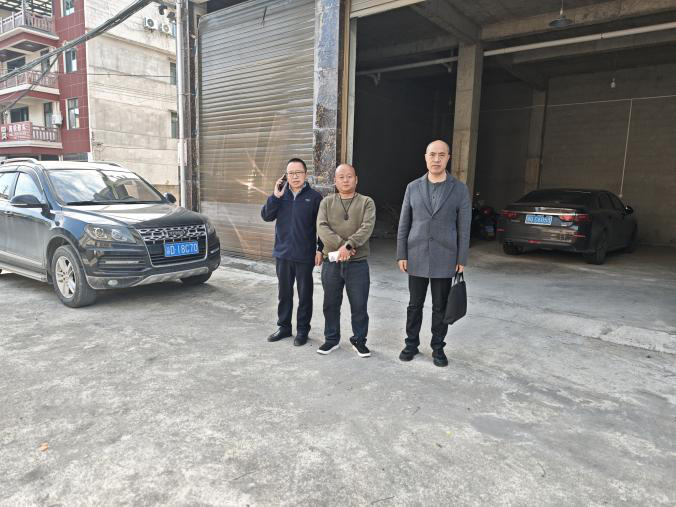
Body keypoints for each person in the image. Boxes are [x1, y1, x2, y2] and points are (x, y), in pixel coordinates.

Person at [396, 140, 471, 367]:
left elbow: (464, 227)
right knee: (414, 304)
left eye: (441, 155)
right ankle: (411, 344)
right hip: (416, 253)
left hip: (445, 256)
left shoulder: (459, 189)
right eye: (432, 154)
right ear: (425, 157)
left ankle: (438, 347)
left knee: (440, 306)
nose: (436, 159)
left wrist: (461, 258)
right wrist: (401, 253)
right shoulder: (412, 187)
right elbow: (404, 223)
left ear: (448, 158)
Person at [261, 158, 323, 346]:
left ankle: (303, 330)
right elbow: (266, 216)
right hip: (283, 254)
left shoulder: (314, 197)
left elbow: (321, 227)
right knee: (284, 294)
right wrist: (275, 196)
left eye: (298, 172)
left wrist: (320, 249)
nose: (295, 176)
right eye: (291, 173)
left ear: (306, 174)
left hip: (304, 255)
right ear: (286, 176)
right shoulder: (280, 195)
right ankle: (284, 327)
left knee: (305, 295)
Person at [316, 164, 376, 357]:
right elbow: (321, 227)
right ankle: (331, 339)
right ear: (335, 181)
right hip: (331, 262)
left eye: (349, 176)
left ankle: (359, 340)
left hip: (358, 263)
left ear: (356, 179)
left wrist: (349, 246)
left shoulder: (366, 202)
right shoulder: (326, 202)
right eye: (341, 177)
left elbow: (367, 227)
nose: (345, 180)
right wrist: (343, 246)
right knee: (330, 304)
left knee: (359, 305)